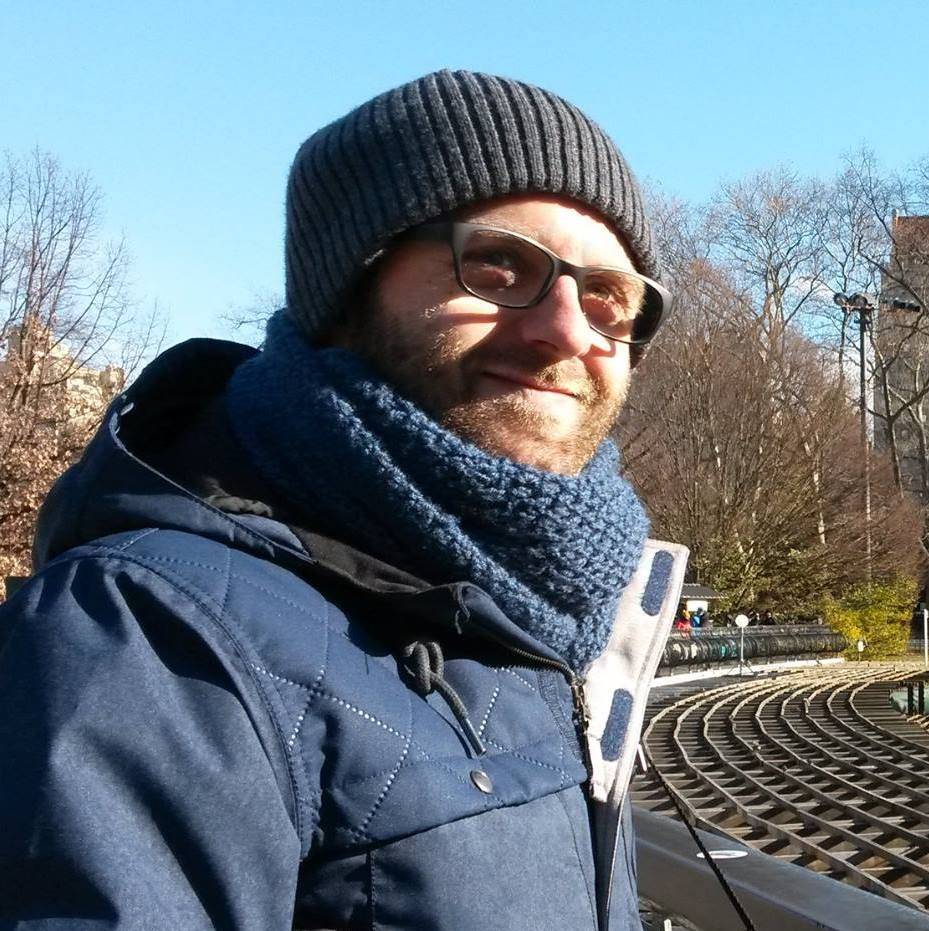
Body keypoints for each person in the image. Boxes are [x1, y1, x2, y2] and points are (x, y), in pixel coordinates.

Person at [0, 70, 688, 930]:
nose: (567, 329)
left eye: (608, 297)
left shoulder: (538, 617)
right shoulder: (143, 634)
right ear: (344, 290)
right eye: (498, 264)